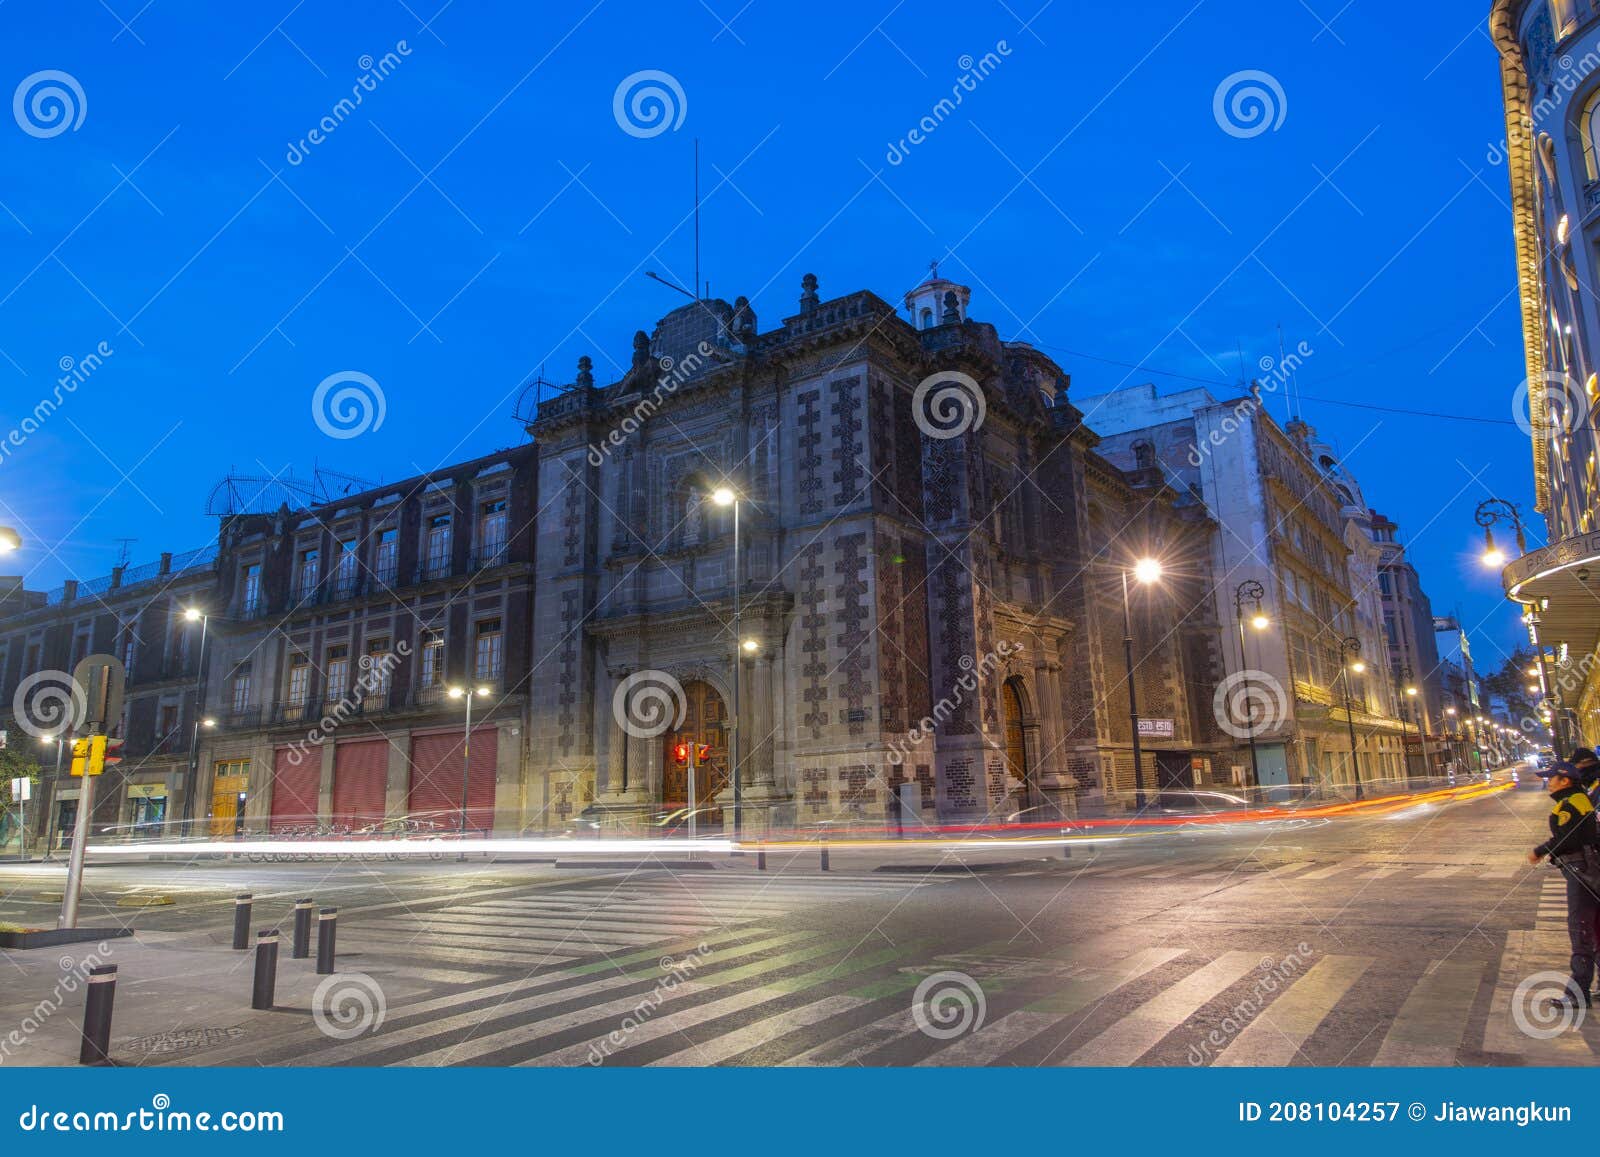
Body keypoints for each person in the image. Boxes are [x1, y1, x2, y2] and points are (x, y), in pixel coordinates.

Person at [1528, 759, 1600, 1009]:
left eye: (1552, 778)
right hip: (1588, 870)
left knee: (1580, 929)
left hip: (1581, 871)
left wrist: (1540, 850)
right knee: (1594, 929)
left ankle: (1578, 994)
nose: (1548, 783)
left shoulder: (1571, 803)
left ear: (1565, 780)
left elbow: (1568, 839)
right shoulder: (1580, 800)